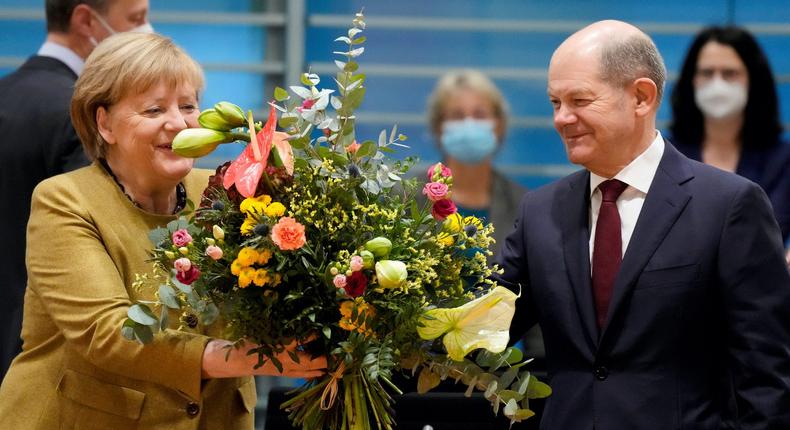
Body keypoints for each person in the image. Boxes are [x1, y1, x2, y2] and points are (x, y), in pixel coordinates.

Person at [0, 32, 326, 429]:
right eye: (154, 110)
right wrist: (247, 357)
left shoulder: (231, 192)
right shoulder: (64, 201)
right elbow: (109, 333)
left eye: (188, 106)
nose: (178, 122)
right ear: (104, 124)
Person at [499, 20, 790, 429]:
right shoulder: (539, 211)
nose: (562, 119)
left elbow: (766, 378)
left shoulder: (728, 206)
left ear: (640, 96)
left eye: (579, 100)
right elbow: (479, 329)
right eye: (554, 102)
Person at [0, 0, 152, 381]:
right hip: (50, 350)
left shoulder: (7, 91)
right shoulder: (84, 116)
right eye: (136, 19)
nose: (148, 29)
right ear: (86, 20)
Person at [670, 25, 790, 263]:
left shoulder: (784, 160)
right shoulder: (667, 156)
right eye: (707, 73)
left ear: (752, 80)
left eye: (730, 73)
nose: (718, 84)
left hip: (762, 291)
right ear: (692, 80)